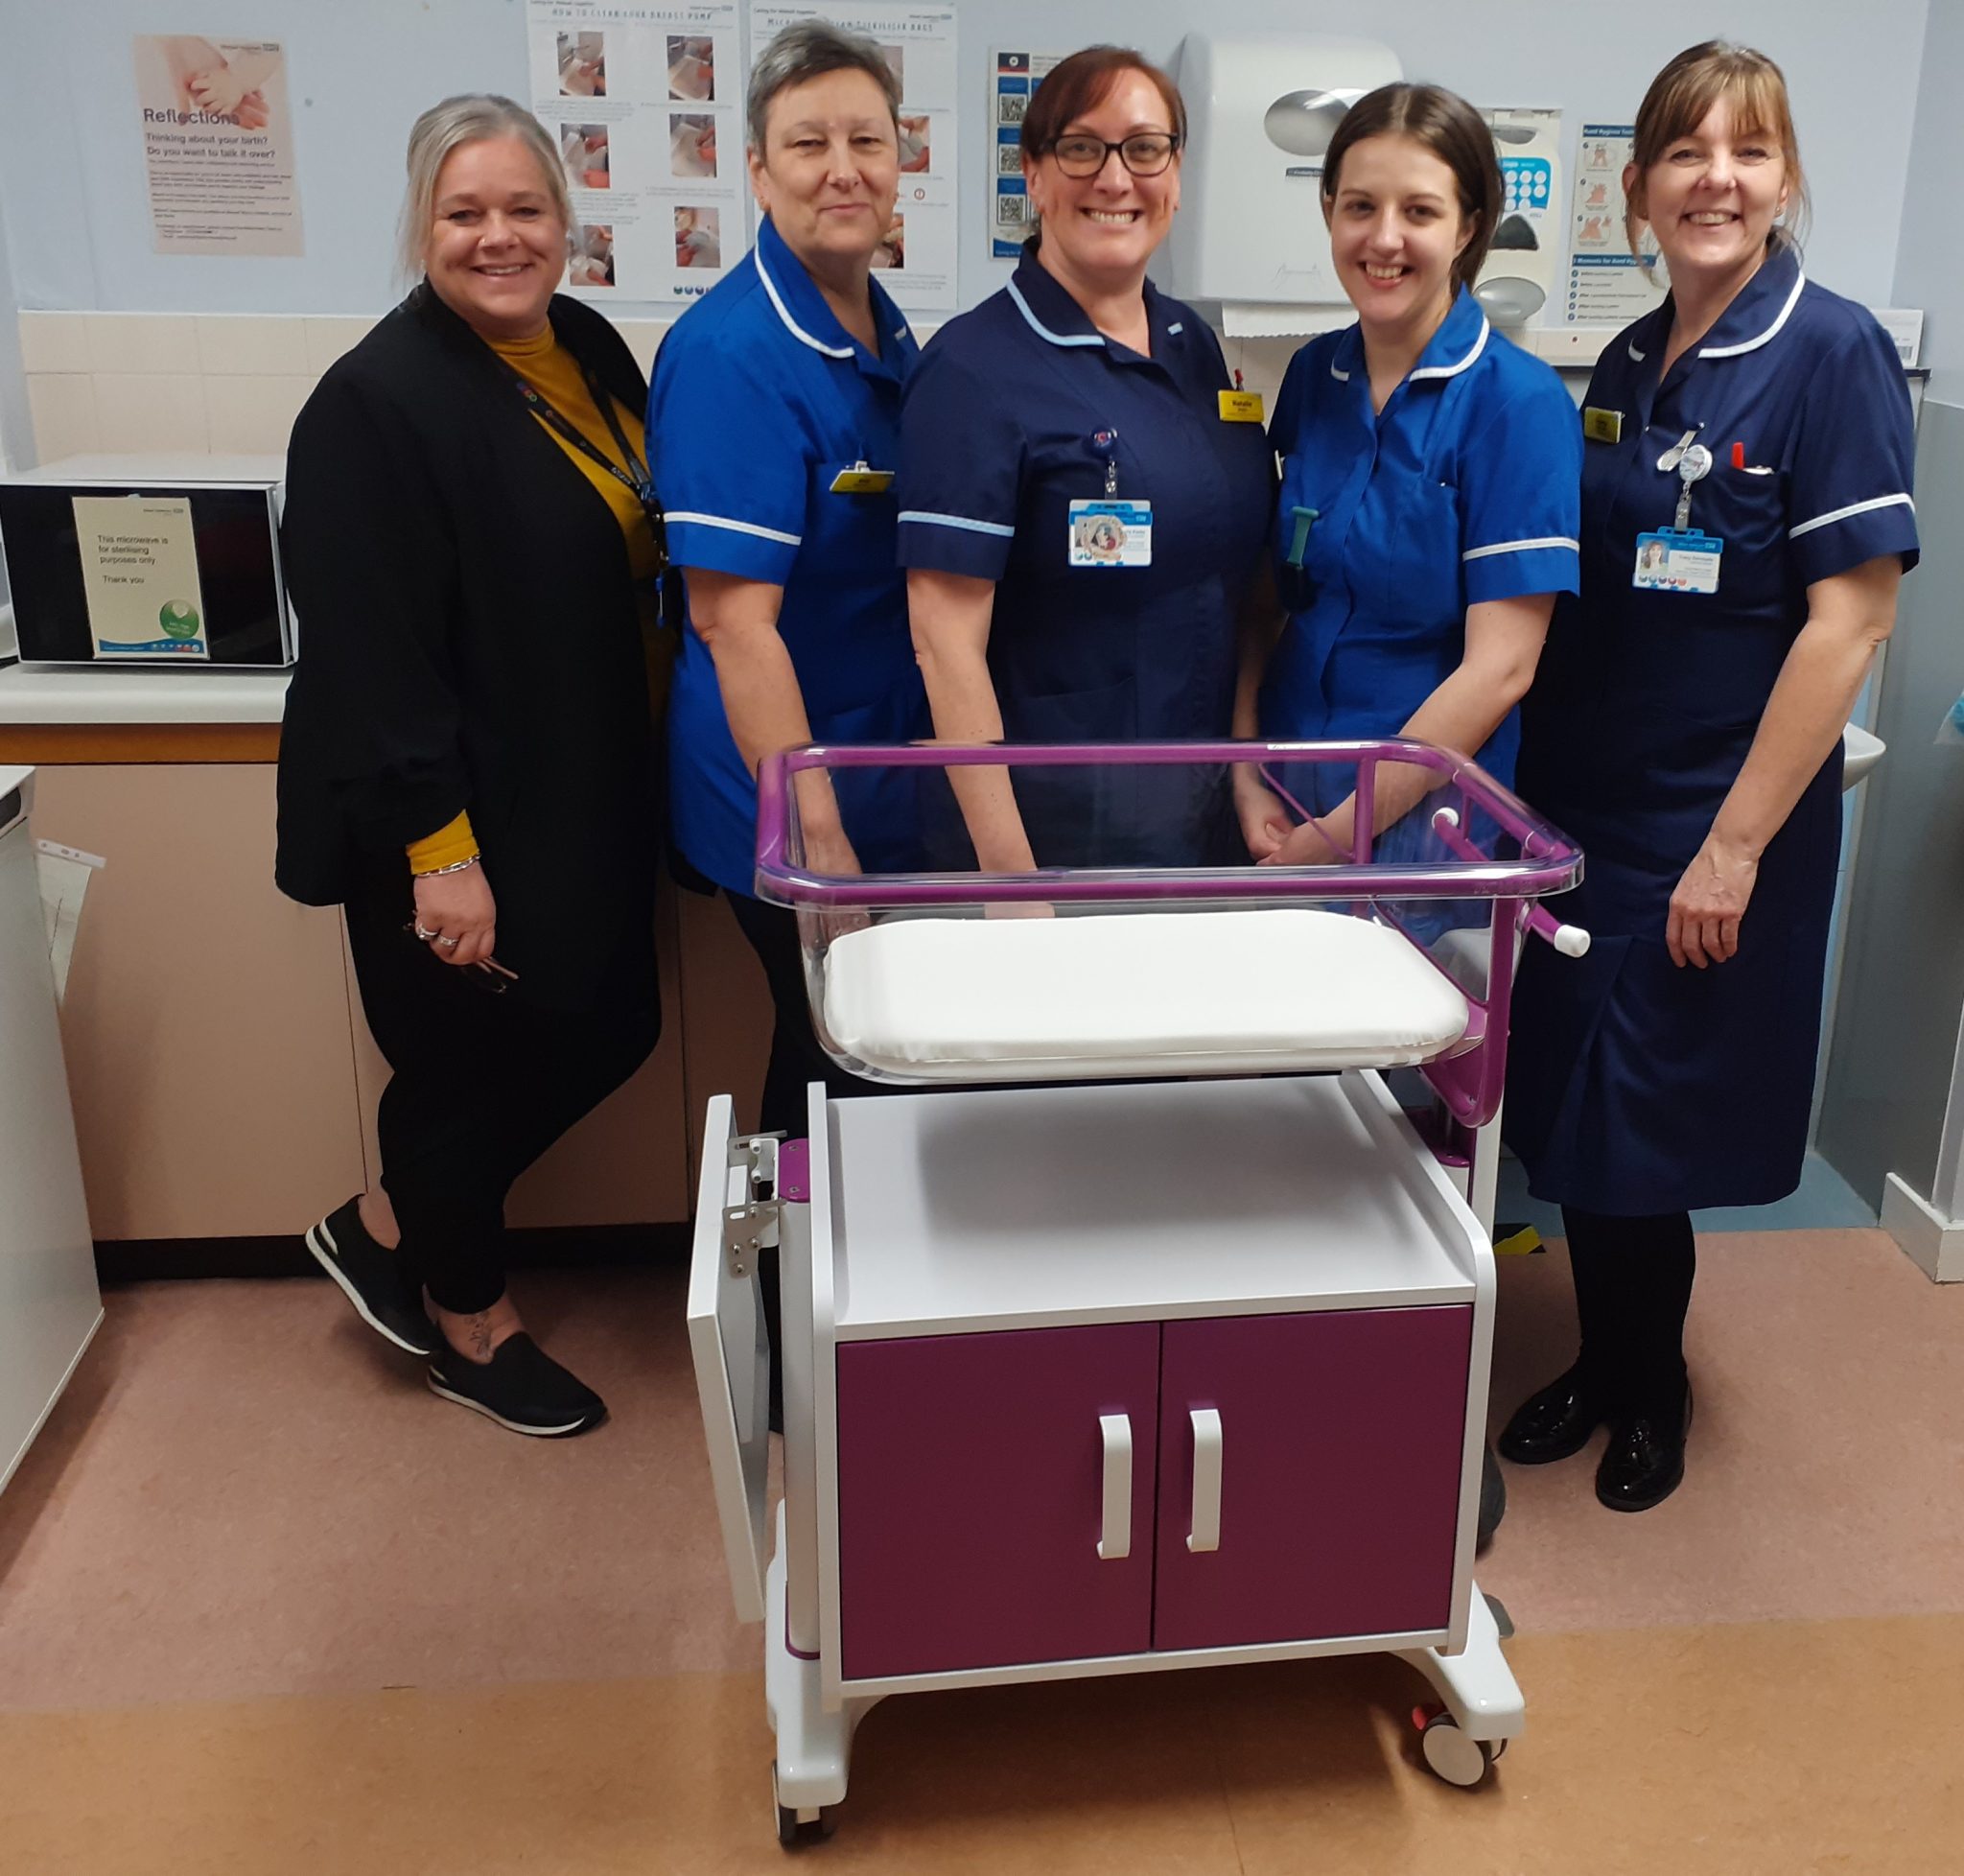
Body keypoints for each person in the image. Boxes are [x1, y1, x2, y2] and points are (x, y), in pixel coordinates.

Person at [1501, 42, 1917, 1512]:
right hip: (1591, 807)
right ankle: (1610, 1360)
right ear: (1641, 187)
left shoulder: (1835, 351)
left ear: (1786, 176)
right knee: (1579, 1117)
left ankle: (1650, 1384)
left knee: (1646, 1118)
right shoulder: (1629, 356)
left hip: (1710, 819)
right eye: (1685, 153)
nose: (1715, 180)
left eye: (1746, 152)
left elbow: (1852, 615)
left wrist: (1734, 846)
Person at [276, 94, 666, 1438]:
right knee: (455, 1068)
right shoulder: (373, 404)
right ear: (421, 226)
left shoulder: (594, 349)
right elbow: (371, 659)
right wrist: (441, 858)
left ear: (566, 221)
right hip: (446, 813)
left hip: (569, 787)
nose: (498, 238)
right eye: (464, 213)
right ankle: (467, 1323)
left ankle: (383, 1222)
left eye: (524, 209)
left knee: (612, 1024)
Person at [898, 45, 1273, 870]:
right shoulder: (973, 370)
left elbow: (1232, 582)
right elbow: (943, 642)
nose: (1115, 179)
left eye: (1145, 149)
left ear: (1175, 174)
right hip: (1047, 829)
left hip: (1200, 811)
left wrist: (1246, 767)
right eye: (1081, 148)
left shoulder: (1193, 346)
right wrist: (1009, 881)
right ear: (1033, 174)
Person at [651, 20, 923, 1137]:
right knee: (836, 1051)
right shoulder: (734, 355)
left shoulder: (878, 323)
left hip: (867, 757)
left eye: (866, 138)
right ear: (758, 172)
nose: (842, 166)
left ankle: (820, 1287)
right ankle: (781, 1295)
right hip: (783, 784)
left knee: (848, 1039)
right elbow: (733, 628)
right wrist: (825, 850)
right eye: (808, 143)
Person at [1233, 82, 1579, 868]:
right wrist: (1245, 767)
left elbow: (1501, 669)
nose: (1384, 238)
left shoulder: (1516, 405)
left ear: (1468, 227)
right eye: (1360, 206)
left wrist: (1329, 842)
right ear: (1328, 211)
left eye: (1419, 212)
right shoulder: (1315, 377)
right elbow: (1267, 601)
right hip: (1281, 798)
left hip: (1423, 828)